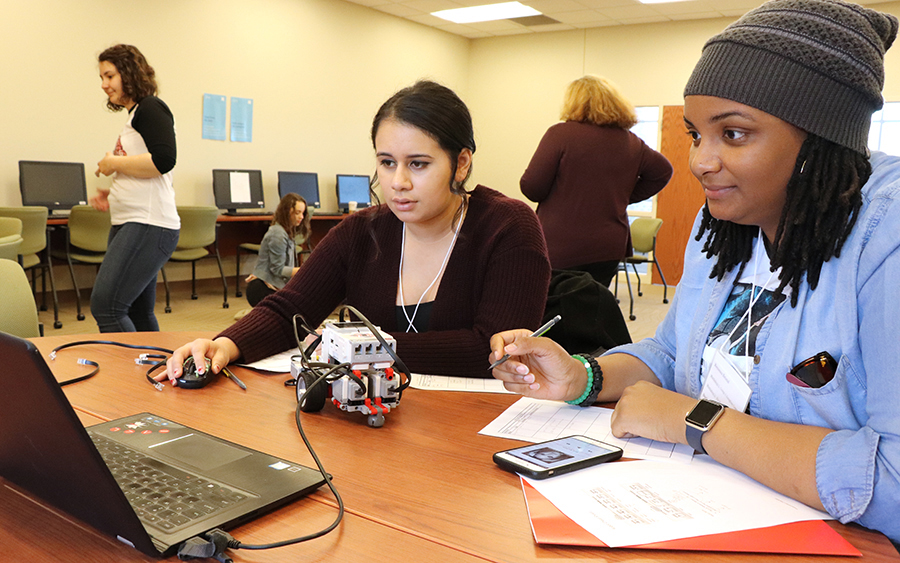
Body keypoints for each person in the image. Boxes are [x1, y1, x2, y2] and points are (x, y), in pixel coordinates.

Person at [491, 0, 900, 545]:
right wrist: (585, 377)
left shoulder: (886, 237)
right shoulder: (726, 224)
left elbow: (893, 482)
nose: (700, 162)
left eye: (733, 134)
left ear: (820, 139)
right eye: (695, 134)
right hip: (701, 510)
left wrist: (697, 421)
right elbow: (671, 352)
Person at [160, 80, 551, 383]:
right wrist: (226, 344)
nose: (397, 182)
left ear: (461, 163)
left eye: (418, 164)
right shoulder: (361, 231)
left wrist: (357, 349)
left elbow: (495, 349)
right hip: (369, 420)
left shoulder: (509, 227)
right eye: (386, 162)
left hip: (469, 427)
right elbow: (290, 309)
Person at [520, 75, 673, 287]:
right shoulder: (631, 142)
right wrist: (622, 197)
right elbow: (663, 171)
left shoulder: (560, 134)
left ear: (575, 102)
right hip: (608, 247)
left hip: (561, 245)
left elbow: (531, 187)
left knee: (554, 312)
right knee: (592, 308)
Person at [90, 44, 179, 332]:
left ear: (128, 73)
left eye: (110, 76)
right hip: (133, 220)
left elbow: (164, 160)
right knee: (138, 312)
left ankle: (125, 376)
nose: (104, 85)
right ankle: (155, 373)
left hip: (148, 223)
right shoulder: (133, 116)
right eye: (102, 78)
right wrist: (114, 189)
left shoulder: (151, 107)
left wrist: (113, 163)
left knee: (107, 307)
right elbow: (144, 167)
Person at [244, 193, 311, 307]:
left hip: (273, 285)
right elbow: (278, 269)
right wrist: (305, 271)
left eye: (302, 213)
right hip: (262, 289)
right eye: (297, 213)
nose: (301, 217)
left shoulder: (286, 232)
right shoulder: (277, 234)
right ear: (287, 212)